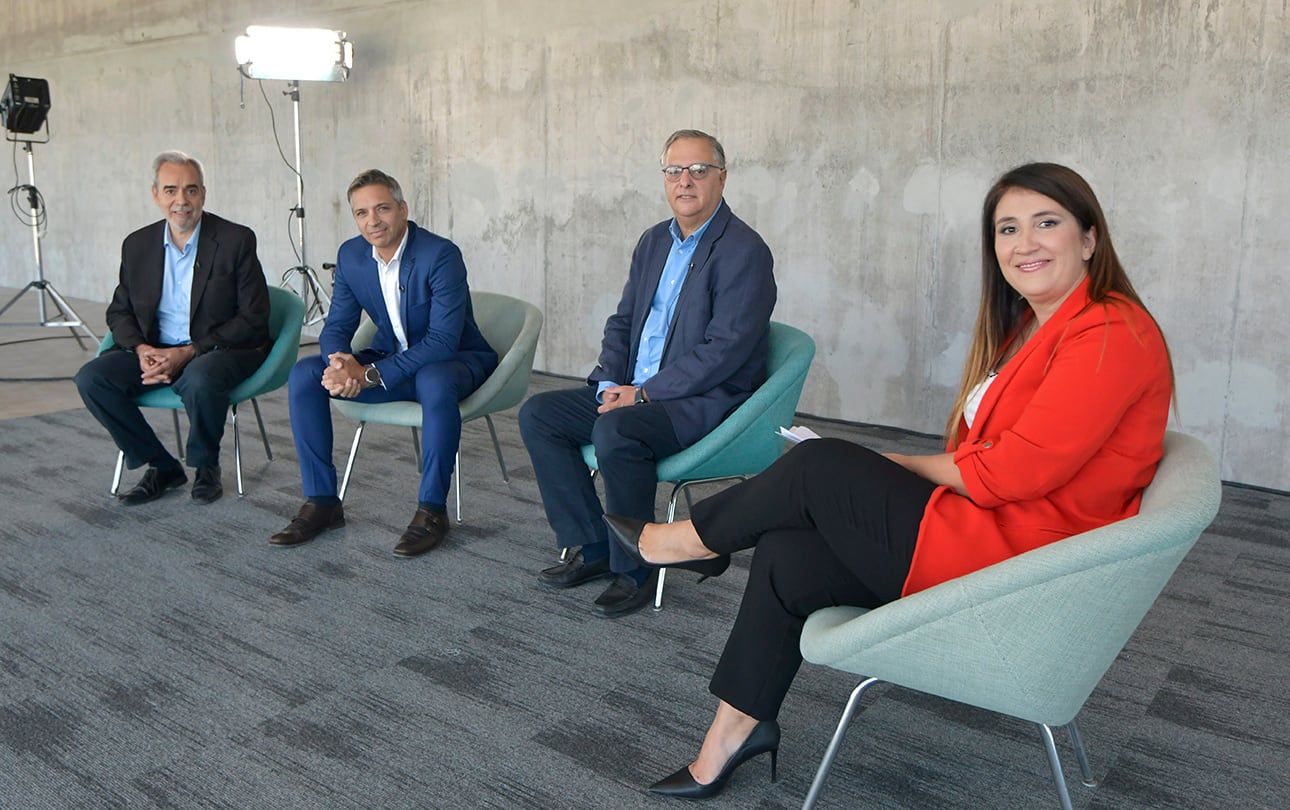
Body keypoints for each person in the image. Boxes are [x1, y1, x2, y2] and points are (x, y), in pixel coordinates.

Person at [603, 162, 1174, 798]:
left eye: (1047, 223)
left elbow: (1013, 471)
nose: (1024, 244)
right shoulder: (1035, 328)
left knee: (821, 466)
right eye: (1008, 229)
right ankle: (734, 734)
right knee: (791, 550)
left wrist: (884, 468)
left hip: (1023, 563)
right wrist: (878, 471)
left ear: (1090, 238)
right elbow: (992, 454)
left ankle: (685, 543)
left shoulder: (1110, 330)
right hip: (991, 529)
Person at [519, 129, 777, 617]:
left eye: (699, 170)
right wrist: (607, 381)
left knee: (617, 430)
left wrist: (642, 395)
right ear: (663, 179)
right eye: (674, 170)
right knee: (539, 414)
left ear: (721, 177)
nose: (686, 181)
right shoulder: (653, 241)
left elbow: (724, 352)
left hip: (700, 402)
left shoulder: (745, 251)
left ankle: (634, 567)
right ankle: (592, 546)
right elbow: (623, 321)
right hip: (636, 391)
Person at [270, 169, 497, 556]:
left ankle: (431, 511)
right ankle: (322, 502)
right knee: (305, 373)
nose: (372, 221)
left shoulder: (440, 255)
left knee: (434, 381)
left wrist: (370, 374)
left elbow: (443, 342)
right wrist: (339, 365)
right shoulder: (351, 255)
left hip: (455, 362)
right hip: (393, 359)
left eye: (382, 209)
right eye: (361, 213)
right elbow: (337, 325)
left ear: (403, 209)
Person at [75, 151, 270, 506]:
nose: (182, 200)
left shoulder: (235, 240)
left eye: (191, 190)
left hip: (216, 350)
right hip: (155, 348)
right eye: (171, 190)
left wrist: (189, 351)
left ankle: (205, 465)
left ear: (204, 194)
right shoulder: (137, 245)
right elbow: (120, 311)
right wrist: (141, 350)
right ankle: (162, 466)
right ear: (155, 195)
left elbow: (253, 318)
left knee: (199, 377)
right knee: (92, 379)